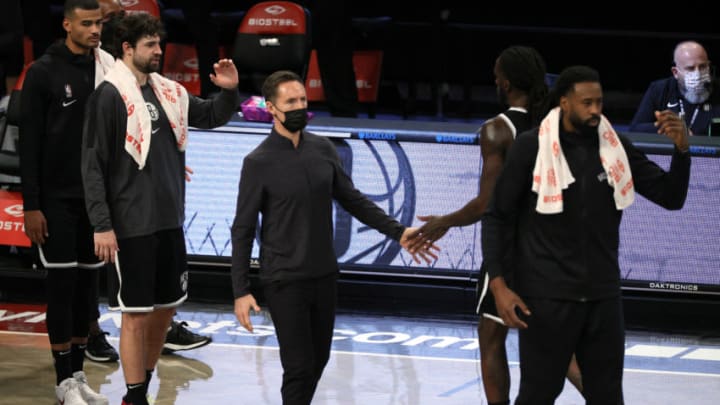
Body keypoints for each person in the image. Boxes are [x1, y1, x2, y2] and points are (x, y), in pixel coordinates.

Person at [483, 65, 690, 404]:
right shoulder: (530, 147)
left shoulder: (615, 147)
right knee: (537, 395)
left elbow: (671, 197)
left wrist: (682, 152)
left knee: (607, 397)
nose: (595, 110)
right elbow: (497, 218)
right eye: (586, 103)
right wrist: (500, 287)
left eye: (599, 102)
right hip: (546, 299)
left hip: (603, 298)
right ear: (564, 102)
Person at [230, 70, 436, 405]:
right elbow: (242, 228)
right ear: (271, 108)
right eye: (290, 102)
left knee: (318, 361)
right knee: (298, 367)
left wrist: (398, 232)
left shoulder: (323, 149)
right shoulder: (258, 162)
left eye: (302, 100)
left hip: (323, 274)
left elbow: (352, 199)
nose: (299, 107)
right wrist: (241, 290)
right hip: (284, 278)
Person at [406, 46, 582, 405]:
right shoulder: (556, 124)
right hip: (556, 246)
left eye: (496, 73)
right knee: (556, 343)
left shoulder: (497, 131)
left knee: (491, 335)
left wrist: (446, 221)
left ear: (503, 83)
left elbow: (487, 204)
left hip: (511, 249)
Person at [81, 12, 239, 405]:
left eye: (158, 43)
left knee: (165, 310)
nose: (158, 51)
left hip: (169, 221)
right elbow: (93, 165)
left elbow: (211, 115)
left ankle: (143, 383)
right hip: (130, 224)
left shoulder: (169, 92)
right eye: (149, 45)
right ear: (127, 49)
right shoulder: (109, 96)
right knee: (135, 314)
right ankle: (134, 397)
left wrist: (230, 92)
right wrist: (102, 225)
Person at [18, 1, 114, 404]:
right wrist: (31, 205)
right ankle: (62, 382)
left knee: (86, 291)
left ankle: (77, 374)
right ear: (67, 25)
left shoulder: (106, 68)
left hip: (93, 201)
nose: (95, 30)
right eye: (87, 24)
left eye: (99, 24)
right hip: (54, 201)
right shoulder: (42, 72)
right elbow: (29, 146)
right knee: (60, 288)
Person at [630, 40, 720, 136]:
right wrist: (671, 129)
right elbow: (635, 129)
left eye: (702, 67)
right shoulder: (660, 89)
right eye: (690, 68)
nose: (697, 74)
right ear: (675, 73)